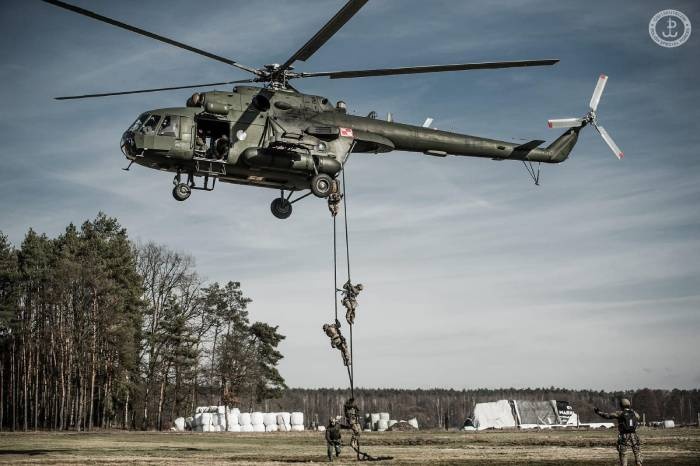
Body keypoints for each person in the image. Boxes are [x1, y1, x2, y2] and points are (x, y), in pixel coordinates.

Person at [594, 398, 642, 466]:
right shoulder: (634, 413)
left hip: (624, 436)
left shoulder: (619, 413)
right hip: (634, 435)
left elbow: (608, 416)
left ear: (621, 405)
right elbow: (638, 417)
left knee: (623, 455)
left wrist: (598, 412)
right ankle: (638, 463)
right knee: (637, 453)